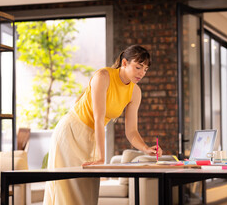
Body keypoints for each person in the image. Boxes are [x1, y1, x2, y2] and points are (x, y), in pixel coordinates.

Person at [43, 44, 163, 205]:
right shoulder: (103, 76)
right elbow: (98, 118)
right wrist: (101, 157)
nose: (142, 73)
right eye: (138, 67)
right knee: (66, 192)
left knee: (87, 194)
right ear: (125, 63)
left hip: (91, 137)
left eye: (145, 69)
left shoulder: (135, 92)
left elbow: (131, 131)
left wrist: (146, 148)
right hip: (71, 132)